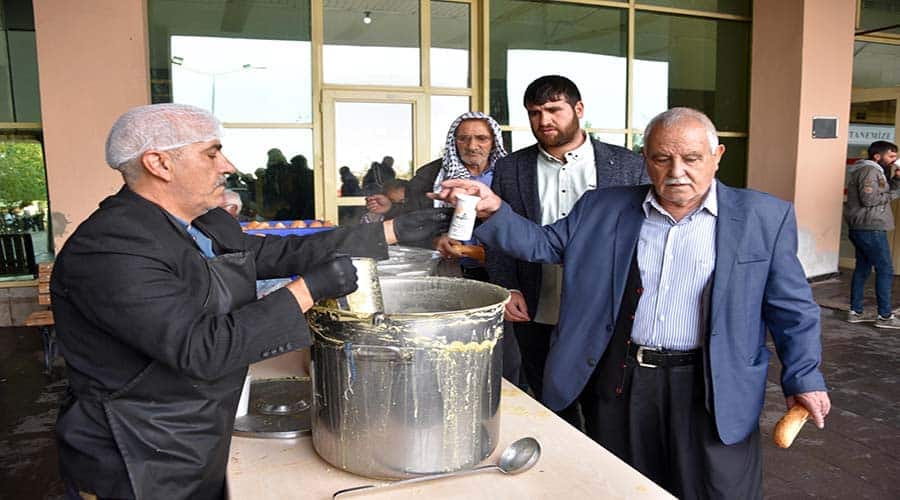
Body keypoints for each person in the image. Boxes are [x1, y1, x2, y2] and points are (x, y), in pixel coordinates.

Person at [50, 103, 451, 500]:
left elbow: (279, 253)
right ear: (159, 163)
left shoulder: (205, 223)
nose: (228, 166)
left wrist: (391, 232)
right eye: (211, 153)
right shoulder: (110, 247)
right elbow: (201, 348)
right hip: (136, 450)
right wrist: (308, 290)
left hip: (197, 427)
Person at [434, 107, 830, 499]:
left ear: (717, 156)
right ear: (645, 159)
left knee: (720, 489)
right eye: (662, 158)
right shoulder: (603, 208)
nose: (677, 172)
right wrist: (494, 209)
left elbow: (792, 308)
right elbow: (543, 244)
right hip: (626, 381)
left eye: (692, 158)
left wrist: (805, 378)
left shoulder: (764, 216)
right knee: (625, 485)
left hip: (714, 385)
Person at [487, 75, 648, 425]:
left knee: (605, 403)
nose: (544, 120)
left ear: (579, 109)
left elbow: (645, 235)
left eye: (553, 110)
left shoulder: (627, 165)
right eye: (534, 113)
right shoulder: (511, 168)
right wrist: (507, 287)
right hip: (536, 299)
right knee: (549, 397)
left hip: (604, 303)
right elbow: (499, 235)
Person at [369, 111, 507, 279]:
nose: (471, 146)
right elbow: (410, 220)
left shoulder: (511, 174)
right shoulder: (428, 176)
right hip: (450, 270)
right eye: (463, 138)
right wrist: (433, 240)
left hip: (505, 269)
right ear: (454, 142)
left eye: (481, 138)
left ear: (494, 142)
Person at [843, 140, 900, 328]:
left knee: (863, 268)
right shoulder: (869, 171)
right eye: (891, 156)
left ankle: (856, 311)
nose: (894, 160)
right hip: (870, 228)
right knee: (885, 269)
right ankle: (884, 316)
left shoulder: (876, 171)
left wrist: (897, 180)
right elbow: (869, 200)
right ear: (877, 156)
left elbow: (883, 191)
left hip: (864, 227)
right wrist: (894, 194)